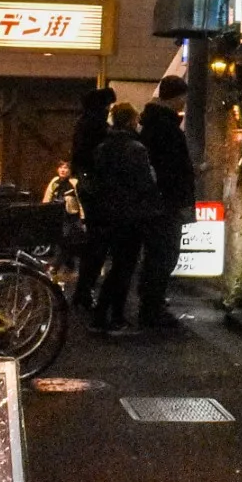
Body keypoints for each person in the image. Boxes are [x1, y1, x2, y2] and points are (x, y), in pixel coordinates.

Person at [80, 102, 161, 336]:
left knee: (116, 265)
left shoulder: (103, 147)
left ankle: (108, 315)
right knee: (124, 267)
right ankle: (110, 316)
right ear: (130, 121)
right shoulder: (136, 148)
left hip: (108, 213)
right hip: (131, 214)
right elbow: (145, 183)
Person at [137, 76, 196, 333]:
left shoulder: (151, 124)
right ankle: (152, 308)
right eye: (182, 97)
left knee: (156, 255)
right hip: (165, 202)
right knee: (164, 254)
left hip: (155, 201)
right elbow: (171, 168)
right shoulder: (166, 128)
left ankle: (151, 305)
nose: (184, 102)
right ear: (176, 97)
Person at [69, 86, 116, 313]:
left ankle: (83, 291)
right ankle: (85, 291)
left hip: (89, 188)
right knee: (98, 241)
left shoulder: (83, 124)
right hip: (99, 189)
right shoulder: (96, 127)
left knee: (95, 241)